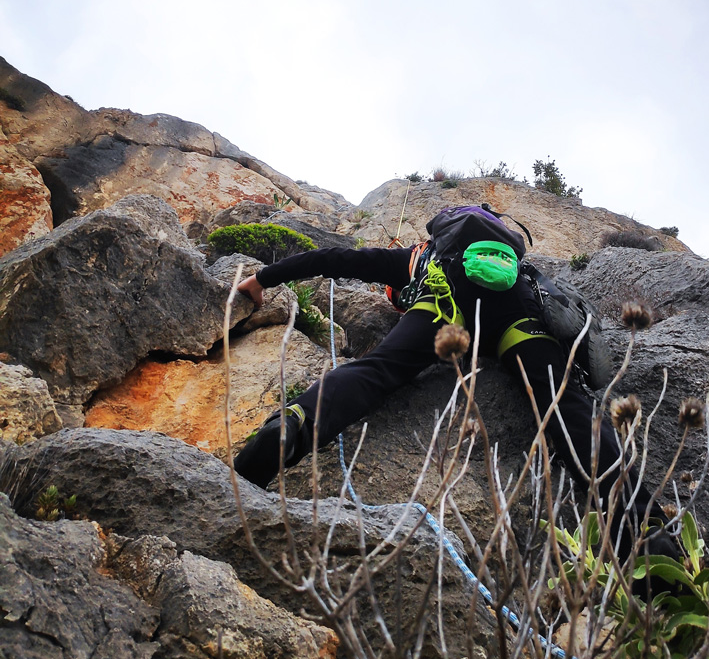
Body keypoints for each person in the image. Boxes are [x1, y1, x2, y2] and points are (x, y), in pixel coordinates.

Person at [233, 207, 675, 560]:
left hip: (446, 300)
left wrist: (263, 278)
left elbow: (333, 259)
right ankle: (648, 535)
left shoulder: (417, 258)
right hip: (517, 308)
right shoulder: (515, 264)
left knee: (379, 369)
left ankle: (293, 424)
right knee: (565, 406)